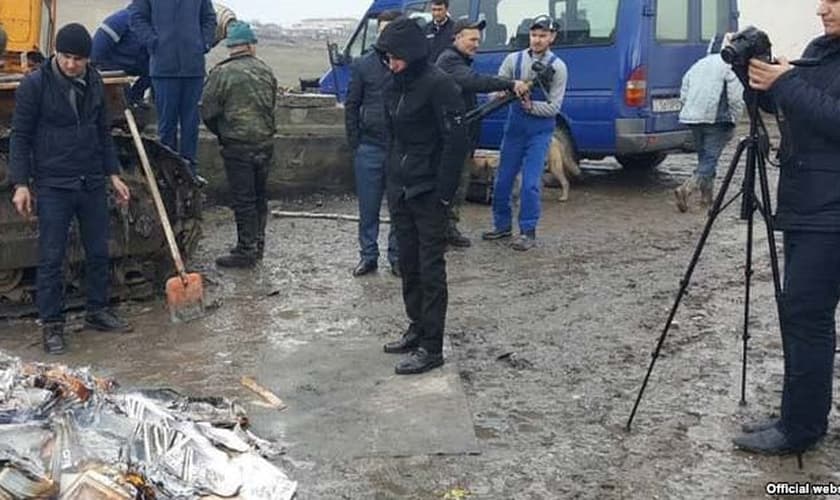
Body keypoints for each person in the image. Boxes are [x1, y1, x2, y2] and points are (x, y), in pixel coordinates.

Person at [732, 0, 840, 456]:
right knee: (802, 317)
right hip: (810, 207)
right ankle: (801, 418)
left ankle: (800, 428)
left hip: (830, 213)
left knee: (807, 318)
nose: (822, 9)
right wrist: (753, 74)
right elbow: (789, 105)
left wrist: (788, 80)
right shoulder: (822, 50)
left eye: (833, 0)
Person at [9, 23, 133, 355]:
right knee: (51, 257)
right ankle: (52, 325)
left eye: (79, 59)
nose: (71, 65)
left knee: (98, 250)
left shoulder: (93, 81)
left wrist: (114, 174)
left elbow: (102, 132)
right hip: (53, 183)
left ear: (88, 60)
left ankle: (97, 311)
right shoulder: (34, 85)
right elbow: (20, 136)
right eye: (66, 57)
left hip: (90, 179)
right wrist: (21, 183)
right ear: (56, 54)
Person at [376, 17, 468, 375]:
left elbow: (455, 144)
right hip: (400, 186)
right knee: (408, 265)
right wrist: (391, 179)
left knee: (431, 270)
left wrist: (444, 196)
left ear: (412, 55)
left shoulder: (439, 85)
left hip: (429, 191)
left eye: (395, 57)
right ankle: (416, 327)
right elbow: (392, 136)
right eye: (387, 57)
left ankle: (433, 347)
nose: (391, 63)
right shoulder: (393, 83)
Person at [436, 18, 529, 248]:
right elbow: (473, 81)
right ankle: (438, 233)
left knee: (459, 185)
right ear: (457, 38)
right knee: (449, 186)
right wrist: (509, 84)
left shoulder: (461, 60)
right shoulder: (449, 60)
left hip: (463, 136)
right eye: (472, 39)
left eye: (478, 39)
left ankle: (448, 229)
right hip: (449, 139)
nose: (476, 44)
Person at [481, 15, 567, 251]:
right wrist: (500, 92)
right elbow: (495, 87)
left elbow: (554, 107)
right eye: (534, 35)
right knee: (503, 180)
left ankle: (528, 231)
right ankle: (502, 226)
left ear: (552, 37)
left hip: (540, 132)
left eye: (542, 36)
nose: (537, 40)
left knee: (530, 183)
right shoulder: (513, 59)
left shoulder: (558, 67)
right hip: (515, 129)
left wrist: (532, 106)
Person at [201, 21, 277, 268]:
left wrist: (223, 132)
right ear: (251, 45)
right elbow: (272, 105)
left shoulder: (220, 74)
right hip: (264, 144)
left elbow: (208, 112)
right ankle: (258, 244)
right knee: (259, 197)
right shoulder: (266, 70)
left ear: (231, 46)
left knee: (243, 199)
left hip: (237, 146)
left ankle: (246, 249)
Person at [129, 0, 217, 173]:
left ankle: (190, 172)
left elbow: (209, 18)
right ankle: (168, 173)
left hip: (193, 68)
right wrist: (153, 42)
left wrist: (203, 43)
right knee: (166, 125)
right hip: (164, 68)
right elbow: (136, 17)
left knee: (191, 125)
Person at [345, 10, 401, 278]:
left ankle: (397, 257)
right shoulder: (363, 65)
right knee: (368, 208)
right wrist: (354, 141)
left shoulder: (408, 64)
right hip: (369, 147)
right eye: (382, 29)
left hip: (399, 148)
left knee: (399, 207)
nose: (385, 34)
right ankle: (368, 256)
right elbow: (352, 105)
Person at [674, 33, 744, 212]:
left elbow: (684, 89)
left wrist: (688, 109)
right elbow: (736, 97)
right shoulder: (729, 67)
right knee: (710, 160)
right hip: (717, 120)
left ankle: (707, 199)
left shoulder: (698, 64)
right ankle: (687, 188)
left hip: (693, 118)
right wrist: (735, 119)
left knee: (704, 158)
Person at [91, 8, 151, 106]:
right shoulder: (120, 20)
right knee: (121, 97)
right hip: (110, 68)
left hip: (139, 67)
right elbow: (96, 51)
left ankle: (135, 99)